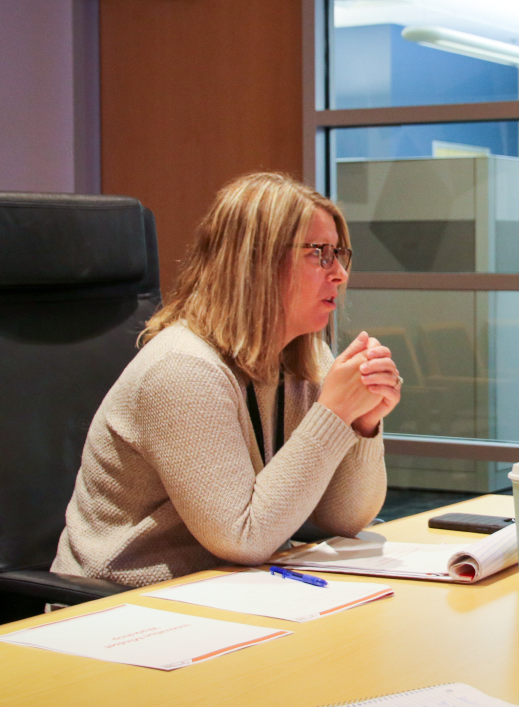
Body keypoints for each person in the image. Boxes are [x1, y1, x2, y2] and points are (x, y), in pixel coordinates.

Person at [52, 172, 399, 587]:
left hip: (225, 590)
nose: (339, 273)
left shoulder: (306, 357)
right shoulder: (182, 369)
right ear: (255, 262)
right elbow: (243, 538)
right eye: (319, 254)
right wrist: (334, 411)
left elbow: (343, 518)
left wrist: (360, 424)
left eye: (340, 253)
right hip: (114, 606)